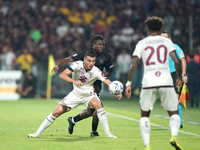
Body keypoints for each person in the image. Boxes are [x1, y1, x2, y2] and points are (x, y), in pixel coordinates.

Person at [28, 50, 121, 138]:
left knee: (98, 105)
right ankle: (37, 133)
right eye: (89, 61)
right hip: (75, 94)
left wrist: (117, 92)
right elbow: (62, 75)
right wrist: (74, 81)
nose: (91, 63)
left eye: (93, 61)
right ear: (84, 59)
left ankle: (108, 134)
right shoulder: (77, 65)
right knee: (56, 112)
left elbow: (108, 81)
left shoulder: (96, 71)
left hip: (88, 95)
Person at [125, 16, 183, 150]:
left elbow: (133, 64)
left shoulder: (142, 43)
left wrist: (129, 83)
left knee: (145, 115)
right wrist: (179, 77)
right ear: (161, 28)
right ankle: (174, 136)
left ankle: (147, 145)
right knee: (174, 112)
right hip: (166, 81)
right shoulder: (167, 42)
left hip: (148, 81)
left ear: (148, 28)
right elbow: (176, 61)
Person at [51, 34, 113, 137]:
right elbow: (69, 59)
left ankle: (74, 120)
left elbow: (110, 71)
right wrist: (58, 65)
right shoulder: (85, 53)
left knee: (91, 110)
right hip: (83, 83)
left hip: (96, 83)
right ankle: (93, 131)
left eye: (103, 45)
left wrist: (100, 76)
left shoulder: (107, 57)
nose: (102, 47)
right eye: (99, 44)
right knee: (98, 106)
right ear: (93, 45)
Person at [161, 30, 188, 128]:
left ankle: (177, 123)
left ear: (169, 39)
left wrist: (184, 74)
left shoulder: (176, 47)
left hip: (176, 76)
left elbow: (183, 60)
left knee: (175, 100)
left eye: (165, 38)